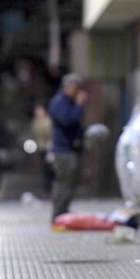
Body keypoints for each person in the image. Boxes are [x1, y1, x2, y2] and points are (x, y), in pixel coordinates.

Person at [48, 73, 87, 221]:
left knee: (69, 183)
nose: (77, 92)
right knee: (64, 183)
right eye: (75, 88)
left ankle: (62, 213)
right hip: (63, 151)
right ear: (67, 87)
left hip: (70, 150)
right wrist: (79, 105)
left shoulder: (67, 102)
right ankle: (58, 215)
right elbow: (67, 120)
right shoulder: (59, 103)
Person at [31, 103, 54, 196]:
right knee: (45, 169)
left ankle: (51, 189)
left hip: (49, 147)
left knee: (50, 169)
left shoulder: (48, 121)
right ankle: (47, 190)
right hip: (42, 147)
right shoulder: (35, 122)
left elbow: (50, 132)